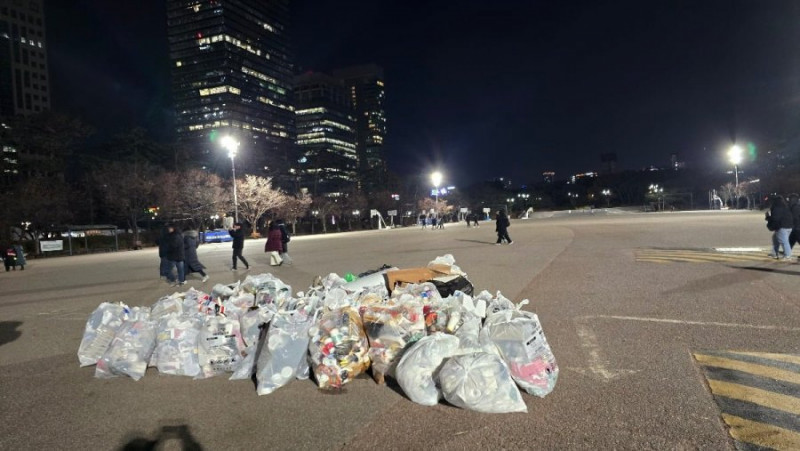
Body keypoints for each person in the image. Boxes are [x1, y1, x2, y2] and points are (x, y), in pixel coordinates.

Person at [765, 195, 793, 261]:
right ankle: (774, 253)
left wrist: (768, 218)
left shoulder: (777, 208)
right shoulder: (785, 206)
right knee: (775, 239)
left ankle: (788, 255)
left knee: (784, 241)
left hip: (782, 227)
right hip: (789, 226)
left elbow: (775, 219)